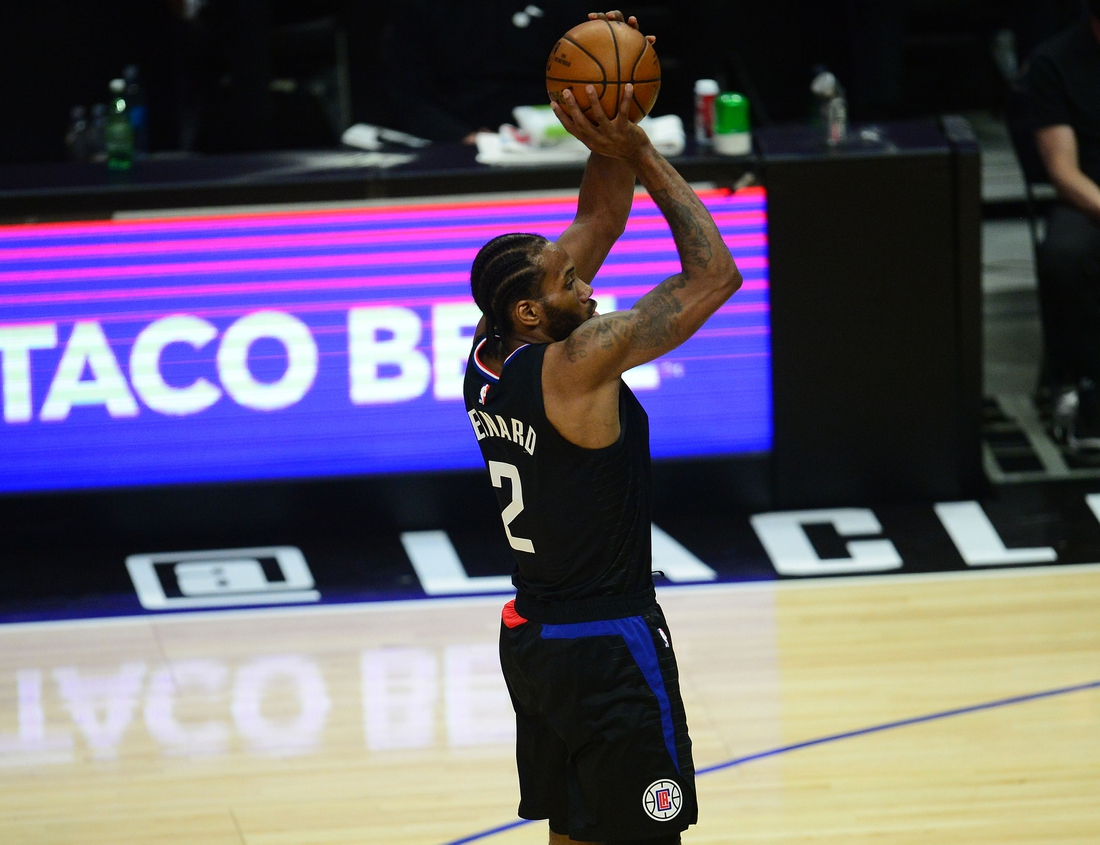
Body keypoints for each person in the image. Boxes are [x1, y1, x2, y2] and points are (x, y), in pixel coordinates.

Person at [461, 12, 742, 843]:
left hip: (538, 643)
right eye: (565, 276)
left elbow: (601, 217)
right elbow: (713, 275)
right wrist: (649, 151)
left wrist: (605, 120)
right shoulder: (578, 359)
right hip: (609, 645)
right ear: (530, 309)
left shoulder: (487, 356)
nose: (583, 274)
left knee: (576, 831)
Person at [1025, 0, 1100, 452]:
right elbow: (1064, 172)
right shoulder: (1056, 62)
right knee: (1065, 256)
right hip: (1088, 196)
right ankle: (1077, 379)